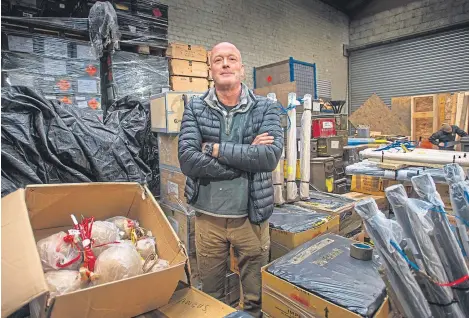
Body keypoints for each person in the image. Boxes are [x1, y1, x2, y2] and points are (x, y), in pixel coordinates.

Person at [178, 42, 283, 317]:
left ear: (242, 69)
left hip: (251, 219)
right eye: (218, 60)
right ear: (210, 69)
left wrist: (214, 148)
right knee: (212, 296)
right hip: (208, 221)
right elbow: (187, 160)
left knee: (254, 299)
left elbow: (269, 157)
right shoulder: (195, 108)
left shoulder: (266, 108)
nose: (225, 64)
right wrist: (246, 156)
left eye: (232, 59)